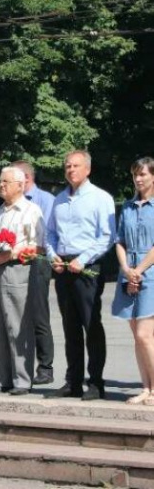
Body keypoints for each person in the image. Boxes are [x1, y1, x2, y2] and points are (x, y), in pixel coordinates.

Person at [46, 150, 115, 401]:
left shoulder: (100, 198)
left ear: (87, 169)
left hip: (87, 266)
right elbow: (50, 232)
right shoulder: (60, 199)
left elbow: (107, 236)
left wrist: (82, 259)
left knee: (91, 325)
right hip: (63, 266)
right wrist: (53, 254)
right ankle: (72, 381)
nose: (70, 170)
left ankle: (95, 382)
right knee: (69, 326)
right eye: (67, 166)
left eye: (76, 166)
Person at [0, 166, 45, 395]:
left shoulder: (30, 210)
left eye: (6, 182)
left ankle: (22, 380)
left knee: (17, 325)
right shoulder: (0, 211)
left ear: (20, 184)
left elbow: (37, 246)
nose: (1, 185)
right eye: (0, 181)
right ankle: (3, 378)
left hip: (17, 269)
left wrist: (12, 254)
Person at [112, 157, 154, 405]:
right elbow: (119, 240)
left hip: (150, 271)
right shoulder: (127, 207)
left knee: (145, 333)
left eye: (143, 175)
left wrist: (139, 269)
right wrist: (126, 269)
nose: (138, 179)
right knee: (136, 335)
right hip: (128, 272)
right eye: (135, 175)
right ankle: (146, 387)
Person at [12, 160, 56, 385]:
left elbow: (48, 236)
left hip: (37, 262)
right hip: (14, 263)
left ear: (26, 180)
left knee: (39, 313)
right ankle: (20, 365)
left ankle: (45, 366)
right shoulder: (10, 203)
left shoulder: (46, 201)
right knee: (18, 315)